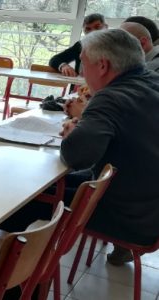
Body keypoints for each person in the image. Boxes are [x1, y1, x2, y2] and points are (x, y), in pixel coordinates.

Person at [60, 29, 159, 265]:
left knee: (26, 204)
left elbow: (76, 156)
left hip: (129, 218)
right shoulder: (152, 80)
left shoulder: (111, 96)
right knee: (57, 184)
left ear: (102, 66)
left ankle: (4, 283)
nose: (83, 74)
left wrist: (73, 133)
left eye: (83, 64)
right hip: (150, 209)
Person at [49, 13, 107, 77]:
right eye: (88, 29)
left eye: (97, 27)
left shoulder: (115, 46)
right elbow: (54, 60)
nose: (92, 32)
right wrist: (64, 66)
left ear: (106, 27)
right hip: (79, 84)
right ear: (84, 31)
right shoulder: (80, 45)